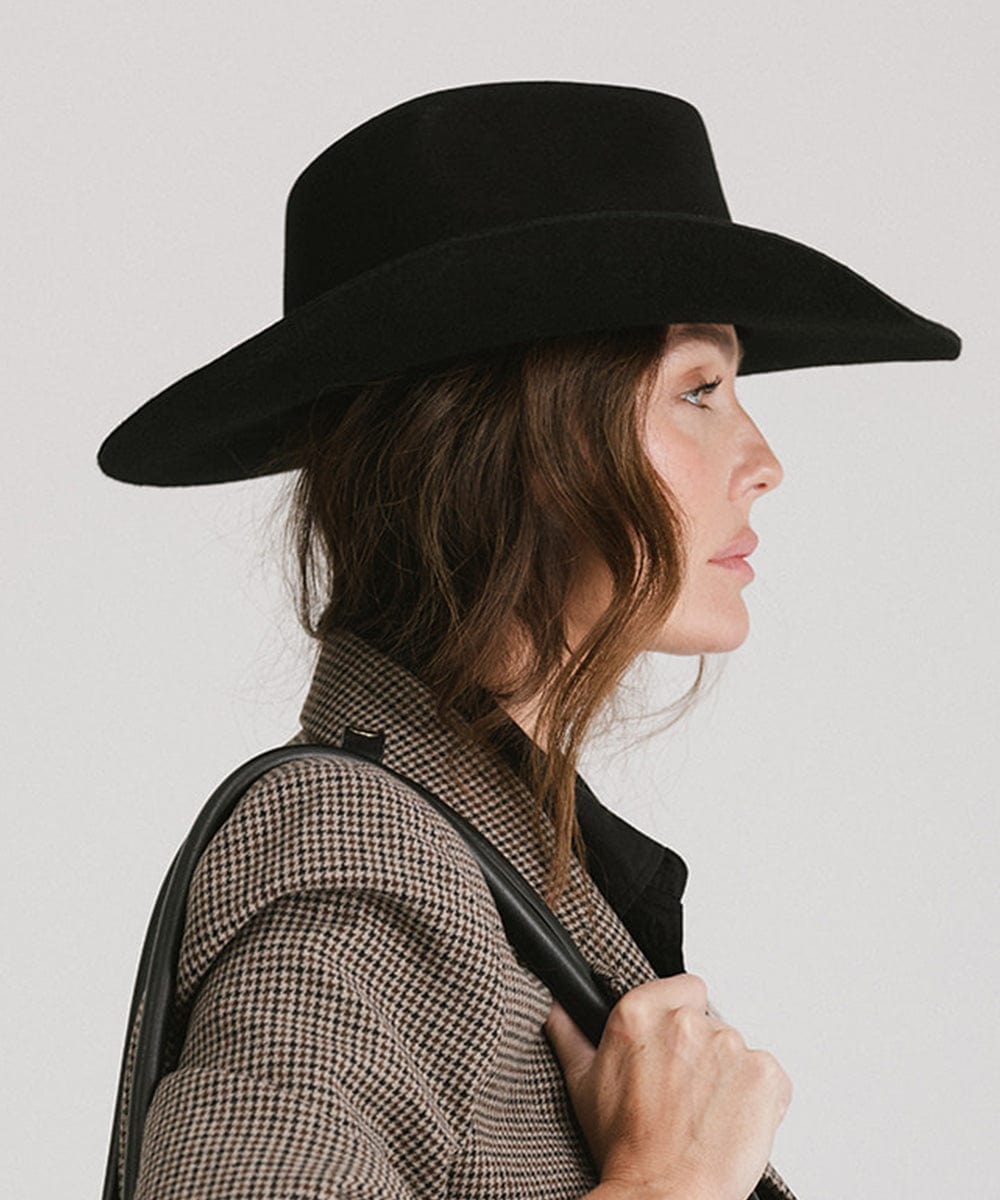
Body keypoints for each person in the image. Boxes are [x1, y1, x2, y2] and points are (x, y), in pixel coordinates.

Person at [98, 81, 960, 1200]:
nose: (762, 459)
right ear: (519, 448)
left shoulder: (480, 861)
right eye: (700, 390)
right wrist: (662, 1188)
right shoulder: (358, 870)